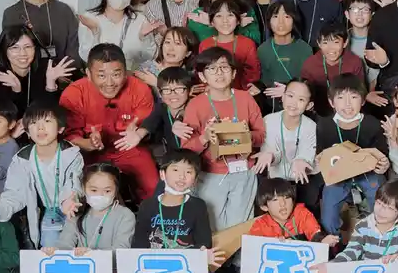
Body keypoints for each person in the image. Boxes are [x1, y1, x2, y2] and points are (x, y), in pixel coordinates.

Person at [131, 149, 236, 273]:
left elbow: (204, 242)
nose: (182, 177)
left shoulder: (197, 205)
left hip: (189, 272)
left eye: (188, 172)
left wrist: (203, 256)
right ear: (162, 174)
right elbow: (138, 244)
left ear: (195, 178)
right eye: (175, 170)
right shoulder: (148, 206)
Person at [181, 47, 268, 232]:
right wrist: (205, 137)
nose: (219, 73)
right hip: (210, 173)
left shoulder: (245, 98)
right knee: (211, 226)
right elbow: (186, 148)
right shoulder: (195, 105)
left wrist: (244, 136)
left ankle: (237, 253)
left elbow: (261, 135)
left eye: (224, 67)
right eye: (212, 68)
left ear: (234, 73)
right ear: (202, 76)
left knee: (240, 227)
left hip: (243, 171)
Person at [60, 43, 158, 200]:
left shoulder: (139, 89)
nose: (110, 83)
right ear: (88, 74)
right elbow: (68, 136)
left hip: (130, 148)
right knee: (79, 190)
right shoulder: (74, 93)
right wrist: (88, 143)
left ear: (125, 73)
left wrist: (140, 132)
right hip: (89, 153)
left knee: (153, 187)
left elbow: (148, 123)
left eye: (116, 74)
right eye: (101, 76)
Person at [54, 162, 137, 273]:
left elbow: (122, 249)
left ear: (116, 190)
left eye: (107, 191)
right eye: (93, 190)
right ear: (84, 189)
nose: (100, 195)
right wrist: (53, 252)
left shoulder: (125, 215)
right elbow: (64, 244)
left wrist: (94, 255)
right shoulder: (76, 214)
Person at [0, 102, 84, 248]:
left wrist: (69, 200)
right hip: (48, 214)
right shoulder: (22, 159)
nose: (40, 127)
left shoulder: (72, 154)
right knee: (49, 248)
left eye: (47, 121)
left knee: (79, 249)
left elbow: (74, 184)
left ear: (60, 128)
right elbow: (14, 194)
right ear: (27, 131)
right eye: (33, 123)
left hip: (73, 210)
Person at [315, 74, 390, 236]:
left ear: (362, 101)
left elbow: (382, 154)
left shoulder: (372, 124)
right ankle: (333, 241)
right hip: (337, 176)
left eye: (354, 97)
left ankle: (378, 236)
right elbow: (320, 156)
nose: (348, 104)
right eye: (340, 97)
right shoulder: (324, 126)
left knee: (379, 194)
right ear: (331, 102)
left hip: (368, 174)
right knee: (328, 209)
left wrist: (383, 164)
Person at [311, 179, 398, 273]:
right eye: (379, 203)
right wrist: (332, 265)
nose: (381, 210)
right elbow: (351, 251)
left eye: (389, 208)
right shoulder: (362, 226)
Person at [0, 26, 73, 118]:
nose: (23, 53)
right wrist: (16, 91)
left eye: (28, 47)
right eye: (15, 48)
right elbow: (5, 120)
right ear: (4, 51)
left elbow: (52, 116)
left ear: (35, 48)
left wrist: (51, 84)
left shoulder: (46, 70)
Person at [1, 0, 80, 64]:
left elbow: (74, 45)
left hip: (64, 69)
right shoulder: (11, 13)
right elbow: (10, 50)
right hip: (29, 70)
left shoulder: (63, 9)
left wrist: (66, 69)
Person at [257, 79, 318, 210]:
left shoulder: (311, 127)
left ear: (309, 105)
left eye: (301, 99)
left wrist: (302, 160)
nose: (293, 103)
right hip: (277, 180)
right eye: (290, 96)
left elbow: (308, 153)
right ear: (283, 97)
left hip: (303, 179)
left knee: (306, 209)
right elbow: (270, 150)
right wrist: (270, 156)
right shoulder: (268, 121)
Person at [78, 0, 157, 68]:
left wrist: (144, 38)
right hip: (101, 74)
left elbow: (148, 57)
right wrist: (95, 32)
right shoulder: (90, 18)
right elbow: (86, 56)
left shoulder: (139, 20)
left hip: (131, 74)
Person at [256, 0, 312, 114]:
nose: (281, 22)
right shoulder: (262, 50)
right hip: (270, 108)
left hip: (298, 108)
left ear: (294, 20)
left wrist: (288, 91)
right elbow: (262, 83)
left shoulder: (305, 49)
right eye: (275, 17)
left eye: (287, 17)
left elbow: (309, 83)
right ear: (269, 21)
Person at [247, 177, 338, 246]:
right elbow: (252, 249)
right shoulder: (260, 225)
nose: (282, 204)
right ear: (264, 207)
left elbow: (314, 232)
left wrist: (322, 241)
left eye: (287, 197)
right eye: (275, 200)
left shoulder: (301, 213)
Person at [198, 0, 263, 93]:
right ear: (212, 22)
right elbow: (202, 72)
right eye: (219, 16)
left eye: (230, 15)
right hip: (214, 94)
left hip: (242, 94)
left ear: (238, 21)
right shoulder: (205, 45)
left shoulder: (247, 44)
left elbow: (253, 74)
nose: (225, 20)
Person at [301, 23, 366, 112]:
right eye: (325, 42)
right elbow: (304, 92)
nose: (331, 48)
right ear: (319, 43)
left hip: (347, 108)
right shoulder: (310, 64)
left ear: (345, 43)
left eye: (336, 42)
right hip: (318, 110)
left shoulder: (354, 62)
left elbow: (359, 91)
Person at [136, 67, 194, 157]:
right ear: (160, 93)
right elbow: (151, 121)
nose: (173, 94)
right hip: (173, 158)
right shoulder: (162, 108)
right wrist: (139, 134)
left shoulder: (196, 106)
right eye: (166, 90)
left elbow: (184, 112)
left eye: (179, 89)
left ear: (190, 91)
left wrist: (178, 120)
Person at [134, 26, 199, 91]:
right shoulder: (147, 68)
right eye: (167, 42)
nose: (171, 48)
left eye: (178, 43)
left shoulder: (188, 78)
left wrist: (157, 84)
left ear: (188, 53)